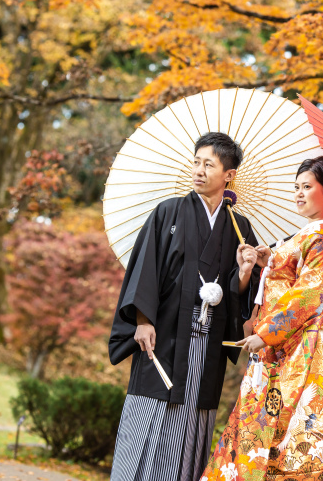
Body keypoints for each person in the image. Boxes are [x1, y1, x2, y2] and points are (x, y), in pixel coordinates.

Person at [201, 156, 323, 481]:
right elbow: (296, 285)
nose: (298, 194)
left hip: (295, 354)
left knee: (278, 436)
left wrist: (265, 334)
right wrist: (268, 262)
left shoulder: (322, 240)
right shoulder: (319, 241)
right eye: (296, 187)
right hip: (295, 352)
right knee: (280, 437)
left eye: (307, 187)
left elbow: (306, 295)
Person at [108, 132, 261, 481]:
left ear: (229, 175)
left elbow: (240, 294)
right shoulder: (169, 212)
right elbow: (145, 268)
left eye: (209, 164)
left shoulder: (241, 228)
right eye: (196, 162)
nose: (199, 170)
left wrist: (245, 271)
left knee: (193, 420)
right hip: (163, 334)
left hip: (208, 342)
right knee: (149, 413)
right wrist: (142, 321)